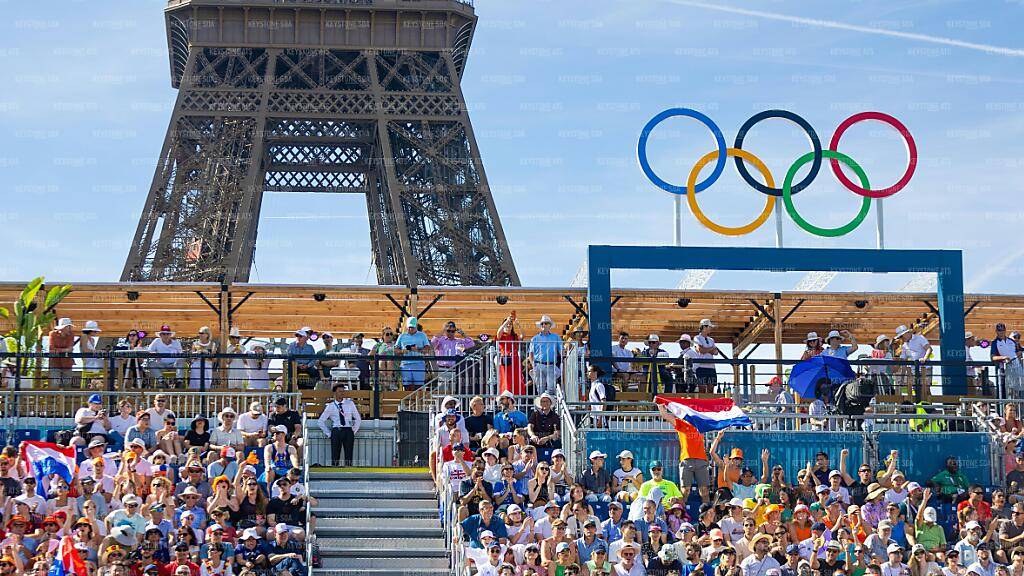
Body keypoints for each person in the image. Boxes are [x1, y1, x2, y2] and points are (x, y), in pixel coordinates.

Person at [656, 402, 710, 503]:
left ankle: (707, 514)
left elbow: (715, 416)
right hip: (686, 460)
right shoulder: (681, 424)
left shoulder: (701, 423)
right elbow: (665, 415)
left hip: (701, 460)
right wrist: (660, 404)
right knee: (685, 491)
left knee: (705, 491)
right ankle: (681, 514)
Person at [317, 383, 362, 467]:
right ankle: (334, 474)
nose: (342, 393)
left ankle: (349, 473)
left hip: (348, 430)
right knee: (335, 455)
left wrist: (352, 431)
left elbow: (358, 419)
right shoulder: (330, 406)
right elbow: (320, 421)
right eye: (340, 391)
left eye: (343, 391)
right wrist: (329, 434)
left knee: (349, 454)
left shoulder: (350, 404)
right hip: (336, 431)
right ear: (335, 393)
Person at [528, 315, 563, 397]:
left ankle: (551, 407)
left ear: (550, 325)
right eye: (542, 323)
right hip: (538, 365)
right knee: (540, 389)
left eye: (546, 323)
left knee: (551, 388)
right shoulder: (534, 338)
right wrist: (534, 365)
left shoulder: (556, 337)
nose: (544, 325)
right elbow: (531, 354)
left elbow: (561, 351)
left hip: (551, 365)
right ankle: (541, 408)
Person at [396, 317, 431, 390]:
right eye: (409, 327)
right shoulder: (402, 336)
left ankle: (418, 401)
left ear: (416, 326)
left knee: (419, 388)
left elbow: (427, 349)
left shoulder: (422, 335)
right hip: (405, 364)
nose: (410, 329)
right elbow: (395, 350)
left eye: (412, 327)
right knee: (406, 387)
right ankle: (408, 401)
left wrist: (417, 349)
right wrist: (403, 351)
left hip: (419, 363)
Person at [694, 319, 728, 393]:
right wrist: (711, 349)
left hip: (711, 367)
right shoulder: (697, 338)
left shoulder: (711, 339)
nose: (711, 328)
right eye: (709, 327)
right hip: (701, 367)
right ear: (704, 327)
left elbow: (715, 352)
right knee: (702, 389)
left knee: (711, 389)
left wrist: (706, 349)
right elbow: (700, 350)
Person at [496, 313, 525, 396]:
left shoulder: (514, 336)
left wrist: (518, 324)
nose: (508, 326)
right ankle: (506, 395)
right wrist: (507, 321)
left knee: (516, 378)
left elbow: (523, 336)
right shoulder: (502, 336)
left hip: (515, 360)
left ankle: (516, 395)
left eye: (510, 325)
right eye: (507, 325)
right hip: (506, 360)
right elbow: (498, 333)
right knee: (506, 379)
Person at [528, 393, 561, 463]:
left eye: (546, 401)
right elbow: (530, 427)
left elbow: (557, 433)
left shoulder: (555, 416)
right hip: (535, 441)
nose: (544, 403)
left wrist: (547, 438)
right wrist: (532, 435)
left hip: (549, 442)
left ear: (550, 403)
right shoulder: (535, 414)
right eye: (543, 401)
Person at [48, 317, 76, 388]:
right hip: (55, 364)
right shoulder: (52, 334)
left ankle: (65, 399)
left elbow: (70, 348)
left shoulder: (71, 335)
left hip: (67, 364)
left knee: (67, 385)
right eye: (68, 327)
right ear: (63, 328)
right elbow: (51, 349)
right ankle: (53, 399)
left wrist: (58, 350)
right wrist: (65, 350)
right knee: (54, 385)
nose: (70, 328)